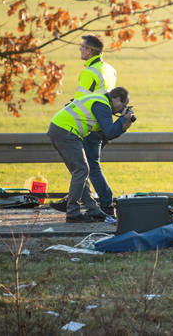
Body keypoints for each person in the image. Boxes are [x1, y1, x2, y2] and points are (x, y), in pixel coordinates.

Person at [51, 35, 117, 216]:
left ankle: (104, 204)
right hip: (103, 122)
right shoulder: (110, 69)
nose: (80, 49)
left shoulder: (89, 72)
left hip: (89, 122)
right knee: (85, 166)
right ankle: (79, 199)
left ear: (90, 51)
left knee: (87, 167)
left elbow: (82, 101)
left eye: (82, 47)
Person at [47, 87, 134, 223]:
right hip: (66, 131)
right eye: (123, 106)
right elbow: (110, 132)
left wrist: (124, 125)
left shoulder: (99, 101)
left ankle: (93, 209)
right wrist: (122, 119)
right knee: (82, 170)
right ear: (117, 99)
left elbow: (105, 135)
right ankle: (73, 213)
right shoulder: (102, 105)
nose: (120, 110)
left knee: (81, 171)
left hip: (60, 129)